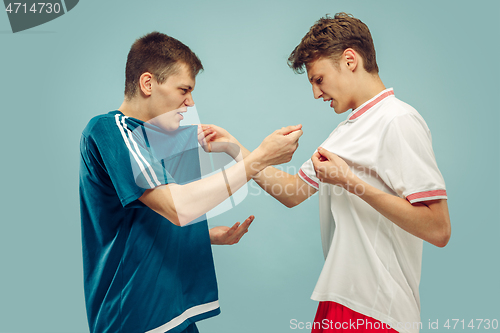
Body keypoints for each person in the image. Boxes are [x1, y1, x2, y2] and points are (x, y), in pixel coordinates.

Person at [202, 13, 450, 333]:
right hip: (338, 298)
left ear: (350, 59)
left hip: (378, 310)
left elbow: (439, 229)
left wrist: (348, 181)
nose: (316, 94)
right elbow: (292, 193)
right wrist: (234, 148)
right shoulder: (343, 132)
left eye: (318, 79)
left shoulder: (397, 119)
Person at [79, 31, 302, 333]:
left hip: (175, 314)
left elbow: (143, 219)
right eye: (183, 89)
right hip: (134, 318)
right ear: (148, 83)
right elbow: (178, 207)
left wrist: (206, 235)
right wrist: (258, 158)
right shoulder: (110, 130)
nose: (190, 101)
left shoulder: (154, 140)